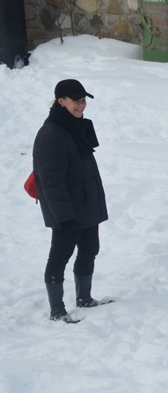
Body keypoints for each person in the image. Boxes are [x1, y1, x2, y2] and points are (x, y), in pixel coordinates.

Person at [32, 79, 111, 322]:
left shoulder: (74, 127)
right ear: (61, 101)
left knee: (89, 250)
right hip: (67, 211)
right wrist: (63, 217)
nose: (81, 105)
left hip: (86, 205)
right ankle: (57, 310)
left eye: (83, 100)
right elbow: (51, 183)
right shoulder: (51, 134)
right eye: (75, 100)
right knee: (60, 256)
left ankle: (84, 298)